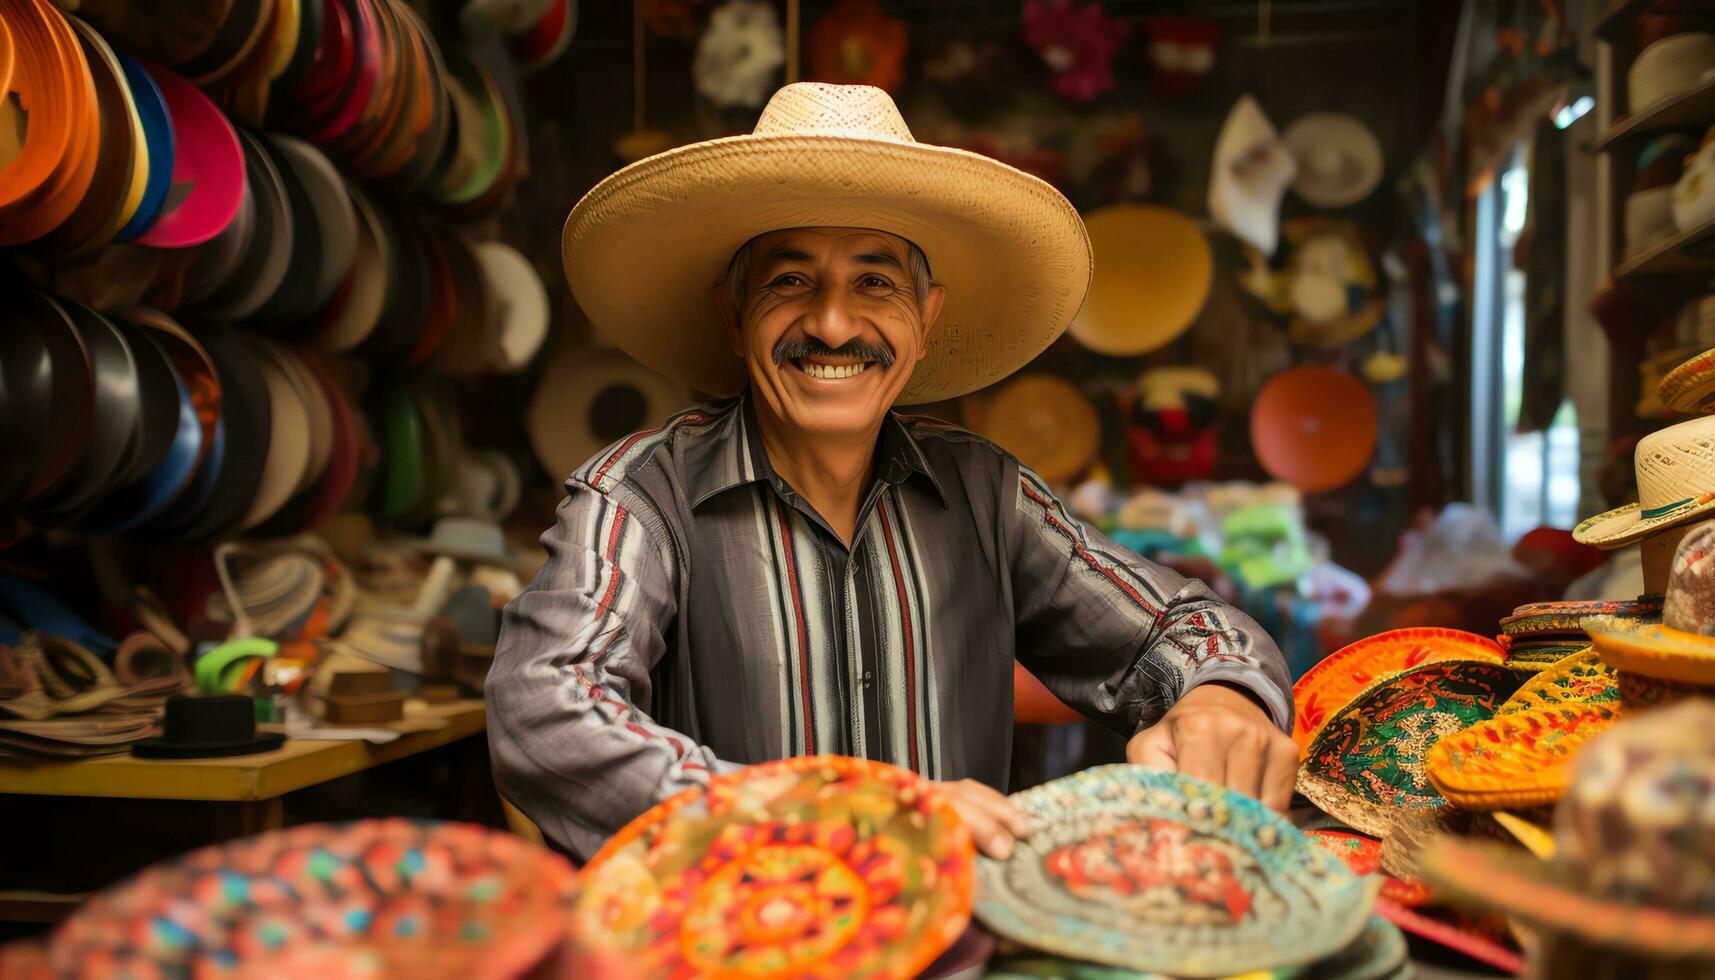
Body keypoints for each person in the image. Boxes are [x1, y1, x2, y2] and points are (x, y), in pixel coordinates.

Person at [489, 83, 1295, 862]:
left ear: (925, 319)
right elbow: (547, 709)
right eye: (790, 281)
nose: (833, 324)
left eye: (874, 281)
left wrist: (1219, 697)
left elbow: (1175, 628)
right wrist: (828, 814)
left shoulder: (986, 494)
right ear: (735, 319)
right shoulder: (638, 494)